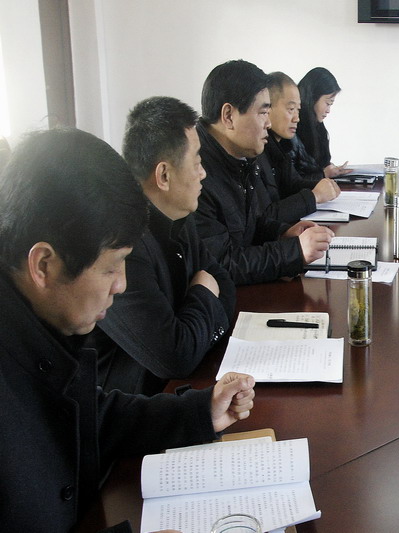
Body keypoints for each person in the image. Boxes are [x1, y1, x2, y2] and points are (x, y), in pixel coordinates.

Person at [0, 128, 255, 532]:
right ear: (44, 264)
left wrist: (198, 411)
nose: (121, 285)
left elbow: (91, 417)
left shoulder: (36, 326)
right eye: (110, 267)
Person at [91, 96, 236, 395]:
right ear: (164, 175)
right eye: (197, 162)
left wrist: (193, 324)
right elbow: (175, 357)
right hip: (136, 406)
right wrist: (202, 293)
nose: (203, 173)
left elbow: (225, 285)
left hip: (184, 386)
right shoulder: (123, 247)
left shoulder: (180, 216)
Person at [194, 60, 334, 285]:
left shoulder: (238, 157)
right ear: (228, 116)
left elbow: (247, 227)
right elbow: (221, 264)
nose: (268, 123)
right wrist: (295, 251)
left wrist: (282, 233)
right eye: (263, 112)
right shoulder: (196, 172)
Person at [265, 71, 342, 202]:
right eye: (291, 109)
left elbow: (294, 184)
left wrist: (326, 186)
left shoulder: (278, 147)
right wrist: (316, 194)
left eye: (298, 110)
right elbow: (270, 209)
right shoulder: (262, 149)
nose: (297, 118)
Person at [295, 66, 351, 179]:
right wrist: (323, 174)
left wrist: (331, 169)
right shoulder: (294, 128)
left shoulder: (317, 126)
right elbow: (294, 181)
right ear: (313, 97)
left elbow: (320, 164)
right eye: (328, 103)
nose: (328, 110)